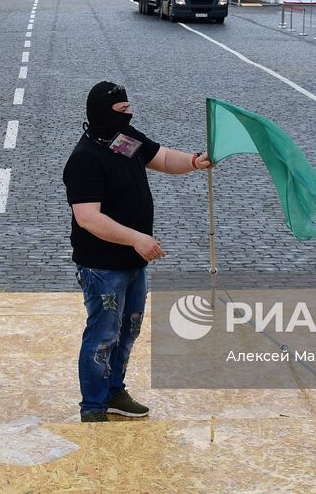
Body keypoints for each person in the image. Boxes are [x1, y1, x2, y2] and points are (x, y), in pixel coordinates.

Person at [63, 81, 213, 422]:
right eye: (121, 111)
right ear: (101, 114)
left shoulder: (122, 141)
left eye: (129, 109)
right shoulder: (85, 159)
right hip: (103, 267)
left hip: (133, 262)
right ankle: (94, 407)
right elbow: (88, 218)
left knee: (128, 330)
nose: (128, 115)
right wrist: (136, 238)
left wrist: (194, 161)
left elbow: (159, 157)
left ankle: (115, 390)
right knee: (103, 335)